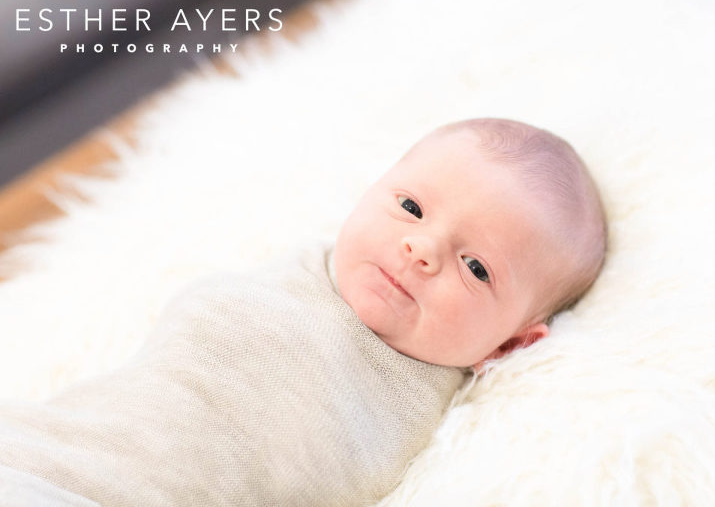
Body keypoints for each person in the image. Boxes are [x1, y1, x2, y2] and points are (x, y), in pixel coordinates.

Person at [0, 118, 607, 506]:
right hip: (46, 458)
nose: (420, 249)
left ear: (510, 345)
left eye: (475, 267)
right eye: (411, 208)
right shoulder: (298, 271)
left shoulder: (424, 409)